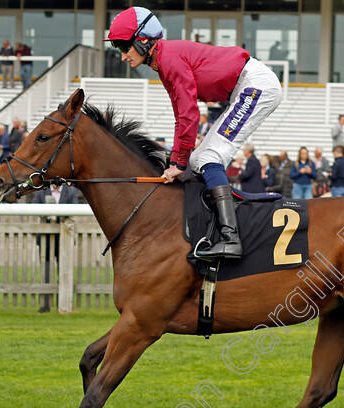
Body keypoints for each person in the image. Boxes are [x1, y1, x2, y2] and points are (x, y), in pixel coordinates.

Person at [108, 6, 283, 259]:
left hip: (255, 86)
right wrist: (176, 161)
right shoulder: (162, 62)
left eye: (124, 47)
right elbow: (182, 116)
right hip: (245, 87)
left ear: (144, 41)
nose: (122, 56)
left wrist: (177, 162)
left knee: (208, 157)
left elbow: (189, 114)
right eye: (118, 49)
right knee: (198, 159)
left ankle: (230, 238)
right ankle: (216, 228)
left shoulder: (169, 59)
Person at [32, 182, 80, 312]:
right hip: (45, 237)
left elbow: (74, 209)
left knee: (63, 270)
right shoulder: (41, 191)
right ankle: (45, 304)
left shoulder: (71, 192)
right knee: (45, 271)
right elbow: (34, 208)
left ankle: (62, 302)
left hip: (64, 237)